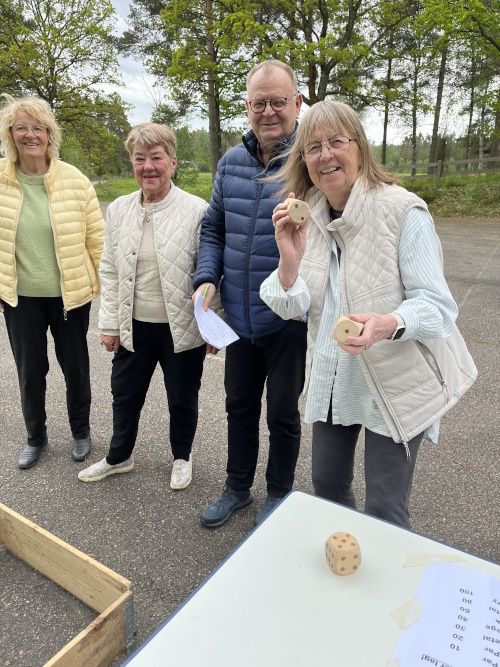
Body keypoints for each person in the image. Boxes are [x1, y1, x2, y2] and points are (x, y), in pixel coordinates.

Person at [260, 100, 477, 528]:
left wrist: (387, 324)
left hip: (395, 380)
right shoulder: (309, 215)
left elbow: (437, 307)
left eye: (336, 142)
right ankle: (347, 560)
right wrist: (289, 259)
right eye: (313, 147)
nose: (325, 155)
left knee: (384, 508)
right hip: (334, 377)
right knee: (327, 488)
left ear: (359, 147)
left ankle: (387, 570)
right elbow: (291, 306)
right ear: (303, 160)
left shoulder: (402, 210)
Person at [192, 60, 308, 528]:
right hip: (238, 320)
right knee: (238, 409)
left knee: (282, 414)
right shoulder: (230, 164)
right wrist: (206, 278)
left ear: (297, 102)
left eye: (278, 101)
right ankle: (237, 487)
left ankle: (279, 494)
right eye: (259, 103)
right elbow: (214, 229)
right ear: (247, 106)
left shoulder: (309, 162)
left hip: (287, 321)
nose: (269, 112)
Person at [78, 123, 209, 490]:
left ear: (173, 162)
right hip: (133, 325)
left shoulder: (197, 210)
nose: (148, 167)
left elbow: (210, 270)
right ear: (132, 163)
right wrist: (109, 323)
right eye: (140, 159)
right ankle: (119, 457)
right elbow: (109, 267)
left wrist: (213, 326)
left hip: (181, 327)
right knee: (125, 395)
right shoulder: (119, 209)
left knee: (182, 398)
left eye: (156, 158)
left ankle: (182, 457)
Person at [0, 94, 104, 469]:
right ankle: (35, 437)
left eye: (38, 128)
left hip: (69, 295)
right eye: (21, 127)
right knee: (30, 373)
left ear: (49, 134)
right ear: (10, 134)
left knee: (75, 369)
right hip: (20, 298)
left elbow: (97, 241)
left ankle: (81, 431)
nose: (30, 135)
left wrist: (106, 291)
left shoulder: (75, 181)